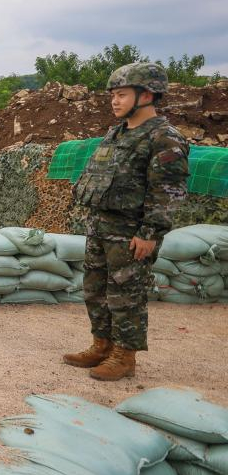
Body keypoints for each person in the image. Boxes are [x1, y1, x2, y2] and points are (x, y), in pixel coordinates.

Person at [64, 63, 188, 380]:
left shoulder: (164, 138)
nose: (114, 101)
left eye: (121, 95)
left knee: (126, 295)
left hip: (131, 232)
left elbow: (167, 192)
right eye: (113, 96)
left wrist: (150, 233)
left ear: (146, 94)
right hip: (101, 228)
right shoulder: (116, 133)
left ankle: (124, 357)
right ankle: (101, 345)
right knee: (95, 290)